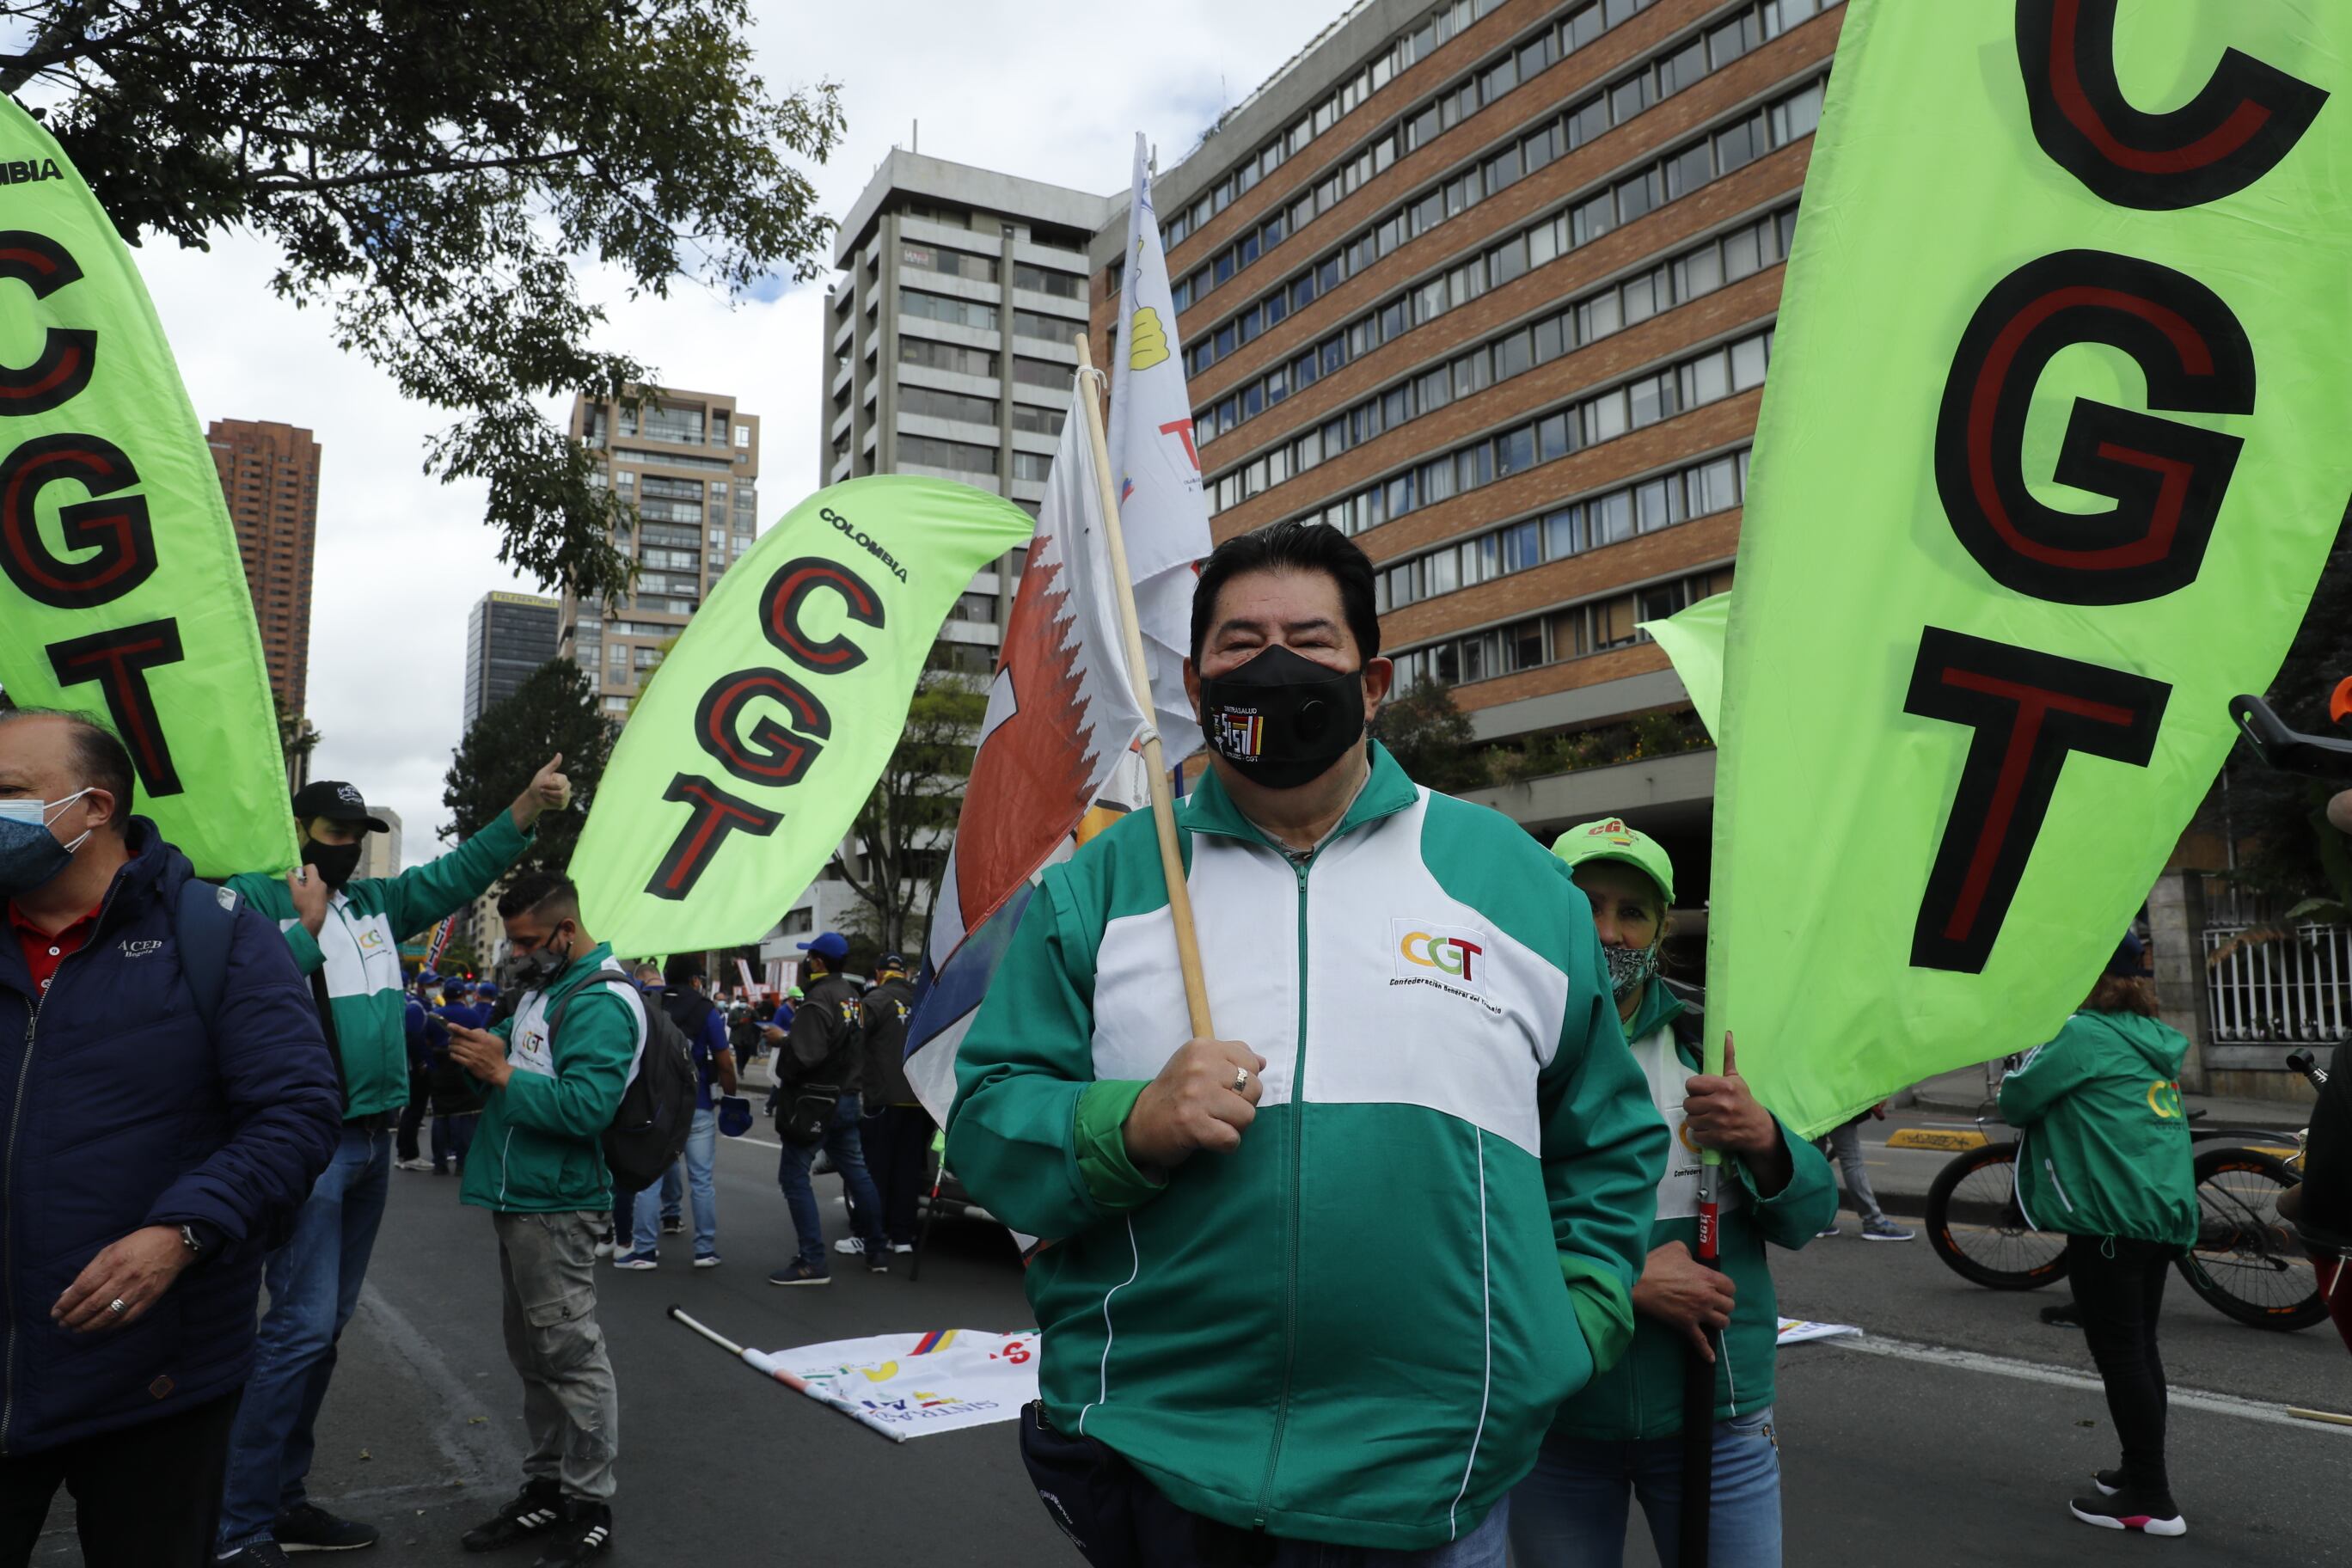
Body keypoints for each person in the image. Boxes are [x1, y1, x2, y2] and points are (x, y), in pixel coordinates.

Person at [948, 521, 1667, 1564]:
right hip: (1158, 1466)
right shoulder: (1095, 889)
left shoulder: (1517, 883)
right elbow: (986, 1123)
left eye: (1310, 640)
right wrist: (1130, 1122)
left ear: (1373, 682)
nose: (1274, 665)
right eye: (1240, 645)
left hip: (1436, 1481)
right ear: (1195, 684)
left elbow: (1607, 1142)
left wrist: (1569, 1328)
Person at [0, 707, 340, 1568]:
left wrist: (181, 1231)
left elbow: (297, 1111)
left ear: (94, 807)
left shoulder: (220, 936)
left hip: (156, 1381)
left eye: (7, 793)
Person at [215, 758, 569, 1564]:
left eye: (359, 836)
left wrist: (522, 804)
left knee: (323, 1332)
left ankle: (283, 1501)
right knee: (298, 1333)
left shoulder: (377, 902)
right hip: (308, 1143)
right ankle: (238, 1528)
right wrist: (302, 928)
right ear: (298, 833)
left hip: (374, 1138)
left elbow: (459, 871)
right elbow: (231, 993)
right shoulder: (253, 895)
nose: (349, 848)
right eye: (336, 834)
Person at [1510, 818, 1834, 1568]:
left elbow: (1808, 1218)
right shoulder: (1501, 1038)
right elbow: (1464, 1222)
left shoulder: (1714, 1038)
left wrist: (1764, 1139)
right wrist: (1623, 1282)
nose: (1609, 931)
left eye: (1632, 912)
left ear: (1662, 927)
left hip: (1716, 1416)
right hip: (1555, 1416)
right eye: (1586, 904)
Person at [443, 871, 645, 1566]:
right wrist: (475, 1055)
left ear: (566, 930)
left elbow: (590, 1108)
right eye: (512, 941)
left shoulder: (600, 1003)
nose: (517, 953)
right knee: (535, 1358)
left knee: (571, 1358)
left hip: (558, 1207)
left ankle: (589, 1503)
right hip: (522, 1199)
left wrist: (502, 1076)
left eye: (528, 940)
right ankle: (548, 1487)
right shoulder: (544, 992)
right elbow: (508, 1055)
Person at [1999, 933, 2196, 1538]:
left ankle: (2151, 1498)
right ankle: (2137, 1470)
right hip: (2158, 1211)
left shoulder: (2082, 1034)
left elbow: (2017, 1099)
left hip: (2109, 1218)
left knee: (2122, 1355)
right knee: (2141, 1348)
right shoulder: (2151, 1039)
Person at [769, 933, 889, 1285]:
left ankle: (812, 1261)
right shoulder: (853, 997)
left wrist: (782, 1040)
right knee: (858, 1173)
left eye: (810, 957)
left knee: (793, 1177)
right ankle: (877, 1249)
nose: (807, 963)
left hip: (816, 1104)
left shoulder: (818, 998)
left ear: (818, 962)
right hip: (849, 1097)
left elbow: (806, 1055)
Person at [616, 958, 737, 1270]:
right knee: (702, 1180)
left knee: (649, 1178)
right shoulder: (705, 1009)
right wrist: (732, 1095)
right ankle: (705, 1250)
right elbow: (724, 1062)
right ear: (696, 980)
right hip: (697, 1105)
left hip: (656, 1107)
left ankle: (644, 1251)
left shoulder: (647, 1006)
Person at [837, 952, 923, 1260]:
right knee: (908, 1171)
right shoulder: (924, 1000)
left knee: (875, 1170)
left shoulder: (875, 1000)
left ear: (879, 972)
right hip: (919, 1099)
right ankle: (902, 1236)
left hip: (882, 1099)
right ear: (905, 972)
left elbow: (850, 1038)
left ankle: (866, 1233)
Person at [1813, 1103, 1914, 1241]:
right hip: (1837, 1103)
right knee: (1852, 1162)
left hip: (1811, 1104)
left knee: (1816, 1161)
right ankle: (1873, 1221)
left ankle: (1816, 1220)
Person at [430, 979, 489, 1176]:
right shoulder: (471, 1015)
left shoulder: (434, 1016)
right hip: (464, 1067)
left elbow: (424, 1040)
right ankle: (463, 1164)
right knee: (466, 1116)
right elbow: (481, 1038)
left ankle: (440, 1164)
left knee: (440, 1116)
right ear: (464, 994)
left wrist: (428, 1065)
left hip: (439, 1068)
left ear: (444, 995)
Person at [395, 972, 444, 1171]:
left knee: (416, 1110)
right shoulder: (416, 1008)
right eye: (432, 984)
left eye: (438, 983)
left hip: (422, 1066)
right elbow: (413, 1036)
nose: (436, 987)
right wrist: (421, 1062)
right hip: (418, 1068)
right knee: (414, 1111)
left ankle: (407, 1153)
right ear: (422, 986)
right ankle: (407, 1154)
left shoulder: (426, 1006)